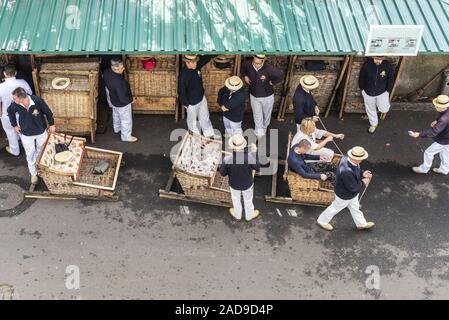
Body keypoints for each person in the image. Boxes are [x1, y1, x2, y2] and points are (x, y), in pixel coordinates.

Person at [316, 146, 375, 231]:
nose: (362, 160)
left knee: (355, 208)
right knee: (334, 208)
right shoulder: (347, 171)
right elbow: (353, 187)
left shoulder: (347, 157)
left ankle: (361, 224)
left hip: (350, 194)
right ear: (355, 159)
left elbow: (356, 171)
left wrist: (362, 173)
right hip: (344, 195)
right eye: (361, 158)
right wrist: (364, 182)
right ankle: (322, 221)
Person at [7, 87, 55, 184]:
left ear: (21, 98)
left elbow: (48, 112)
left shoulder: (37, 100)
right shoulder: (14, 105)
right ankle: (33, 173)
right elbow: (10, 113)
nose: (13, 100)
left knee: (42, 151)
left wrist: (52, 124)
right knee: (30, 154)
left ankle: (42, 169)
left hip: (41, 131)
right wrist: (14, 125)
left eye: (14, 98)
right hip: (26, 134)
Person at [240, 54, 284, 139]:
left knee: (266, 114)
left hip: (267, 96)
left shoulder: (269, 69)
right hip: (254, 95)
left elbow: (280, 75)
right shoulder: (248, 64)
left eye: (258, 63)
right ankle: (258, 132)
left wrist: (273, 82)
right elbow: (243, 68)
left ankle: (265, 126)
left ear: (263, 61)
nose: (256, 65)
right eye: (254, 62)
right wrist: (245, 76)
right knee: (257, 115)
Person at [220, 134, 261, 221]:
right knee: (248, 200)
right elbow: (257, 167)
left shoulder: (226, 159)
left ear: (232, 147)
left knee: (235, 200)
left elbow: (222, 173)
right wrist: (255, 152)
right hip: (247, 184)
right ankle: (249, 216)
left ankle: (237, 215)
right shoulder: (249, 157)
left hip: (234, 184)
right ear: (243, 145)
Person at [409, 95, 449, 175]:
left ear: (441, 107)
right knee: (445, 153)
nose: (435, 107)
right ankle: (444, 169)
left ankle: (424, 169)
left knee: (428, 152)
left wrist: (419, 134)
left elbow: (434, 132)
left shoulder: (443, 119)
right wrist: (437, 122)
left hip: (444, 139)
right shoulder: (446, 113)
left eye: (436, 106)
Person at [178, 54, 215, 138]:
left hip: (201, 98)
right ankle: (195, 139)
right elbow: (181, 92)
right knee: (192, 122)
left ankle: (209, 136)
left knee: (205, 118)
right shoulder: (183, 76)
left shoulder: (196, 65)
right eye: (193, 63)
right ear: (187, 63)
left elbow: (206, 57)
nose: (195, 64)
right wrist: (186, 105)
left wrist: (216, 52)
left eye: (195, 62)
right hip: (191, 103)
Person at [0, 64, 33, 156]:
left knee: (10, 132)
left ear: (4, 74)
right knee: (24, 132)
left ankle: (15, 151)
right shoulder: (22, 82)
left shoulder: (0, 87)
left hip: (6, 114)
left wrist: (0, 113)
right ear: (15, 73)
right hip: (22, 113)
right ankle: (29, 151)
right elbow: (30, 94)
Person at [103, 58, 138, 142]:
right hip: (122, 104)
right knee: (126, 120)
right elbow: (123, 98)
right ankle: (126, 137)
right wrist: (131, 100)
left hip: (113, 99)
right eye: (122, 68)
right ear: (116, 69)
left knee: (116, 114)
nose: (124, 69)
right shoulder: (119, 82)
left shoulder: (107, 72)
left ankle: (117, 128)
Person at [358, 56, 394, 134]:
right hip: (368, 92)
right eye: (376, 59)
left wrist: (388, 91)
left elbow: (390, 78)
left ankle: (380, 108)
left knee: (384, 109)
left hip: (382, 92)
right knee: (370, 109)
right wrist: (362, 89)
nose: (378, 61)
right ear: (373, 57)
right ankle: (374, 124)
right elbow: (362, 76)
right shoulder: (367, 64)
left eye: (380, 59)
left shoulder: (387, 65)